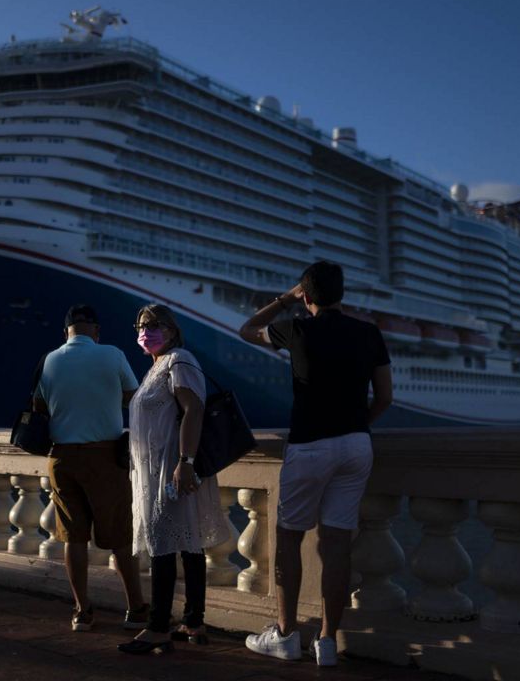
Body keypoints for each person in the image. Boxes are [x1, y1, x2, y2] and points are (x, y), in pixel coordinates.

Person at [238, 261, 392, 667]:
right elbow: (385, 397)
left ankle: (286, 635)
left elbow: (246, 329)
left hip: (310, 446)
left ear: (306, 296)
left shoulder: (297, 328)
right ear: (343, 293)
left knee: (289, 538)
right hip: (357, 445)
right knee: (338, 543)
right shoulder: (369, 333)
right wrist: (356, 425)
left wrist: (284, 300)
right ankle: (326, 642)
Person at [118, 304, 231, 655]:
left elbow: (194, 409)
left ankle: (157, 628)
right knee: (186, 543)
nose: (145, 331)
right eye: (140, 325)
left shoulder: (178, 360)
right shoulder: (156, 367)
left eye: (153, 325)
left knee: (164, 545)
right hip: (156, 470)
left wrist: (186, 461)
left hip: (172, 467)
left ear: (171, 328)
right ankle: (193, 622)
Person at [34, 304, 148, 632]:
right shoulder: (111, 354)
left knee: (74, 538)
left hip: (61, 458)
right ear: (96, 331)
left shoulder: (49, 360)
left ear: (65, 331)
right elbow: (134, 397)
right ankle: (136, 609)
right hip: (104, 457)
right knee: (120, 537)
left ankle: (82, 611)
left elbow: (40, 405)